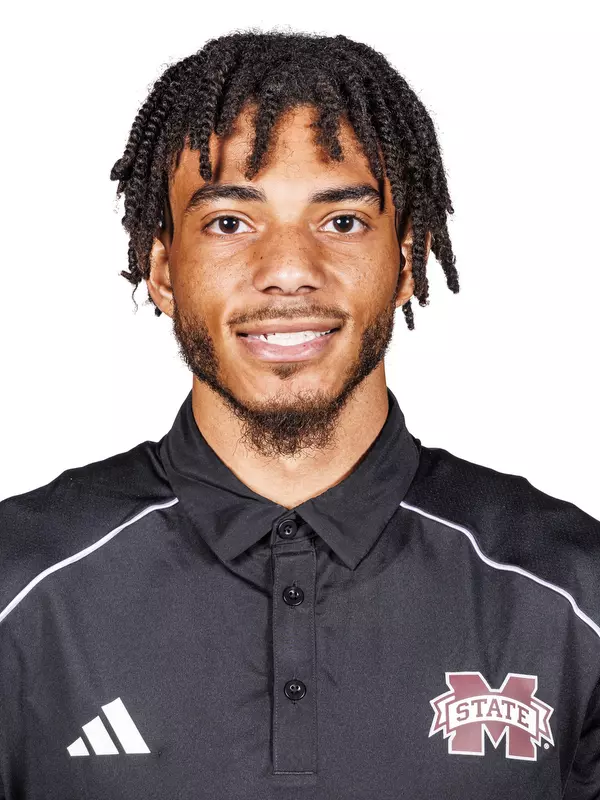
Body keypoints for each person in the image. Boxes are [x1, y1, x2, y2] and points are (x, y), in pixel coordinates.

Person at [0, 29, 598, 800]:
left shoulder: (572, 593)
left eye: (341, 222)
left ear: (407, 264)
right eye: (229, 222)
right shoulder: (19, 586)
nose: (288, 271)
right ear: (162, 272)